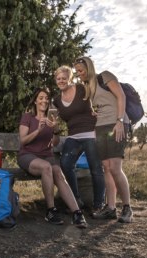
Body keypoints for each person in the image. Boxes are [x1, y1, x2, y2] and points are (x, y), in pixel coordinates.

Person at [73, 56, 133, 223]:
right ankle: (111, 208)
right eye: (77, 71)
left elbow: (121, 96)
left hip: (117, 124)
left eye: (81, 70)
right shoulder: (88, 87)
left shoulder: (105, 76)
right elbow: (99, 106)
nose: (79, 74)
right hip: (100, 127)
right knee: (106, 167)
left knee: (115, 167)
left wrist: (120, 121)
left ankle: (127, 208)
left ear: (89, 67)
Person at [17, 87, 87, 228]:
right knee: (47, 167)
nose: (44, 100)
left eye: (46, 98)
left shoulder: (51, 119)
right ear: (35, 101)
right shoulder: (28, 117)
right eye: (41, 98)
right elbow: (23, 141)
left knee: (58, 173)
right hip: (28, 156)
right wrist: (38, 130)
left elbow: (54, 143)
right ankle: (50, 210)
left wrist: (54, 129)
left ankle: (77, 213)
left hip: (46, 155)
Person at [53, 66, 105, 212]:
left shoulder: (82, 89)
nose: (61, 81)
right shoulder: (57, 100)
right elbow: (54, 117)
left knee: (96, 169)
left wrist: (98, 113)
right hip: (73, 137)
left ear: (69, 78)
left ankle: (98, 205)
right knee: (65, 164)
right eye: (58, 79)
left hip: (90, 134)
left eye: (64, 78)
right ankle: (76, 200)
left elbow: (98, 98)